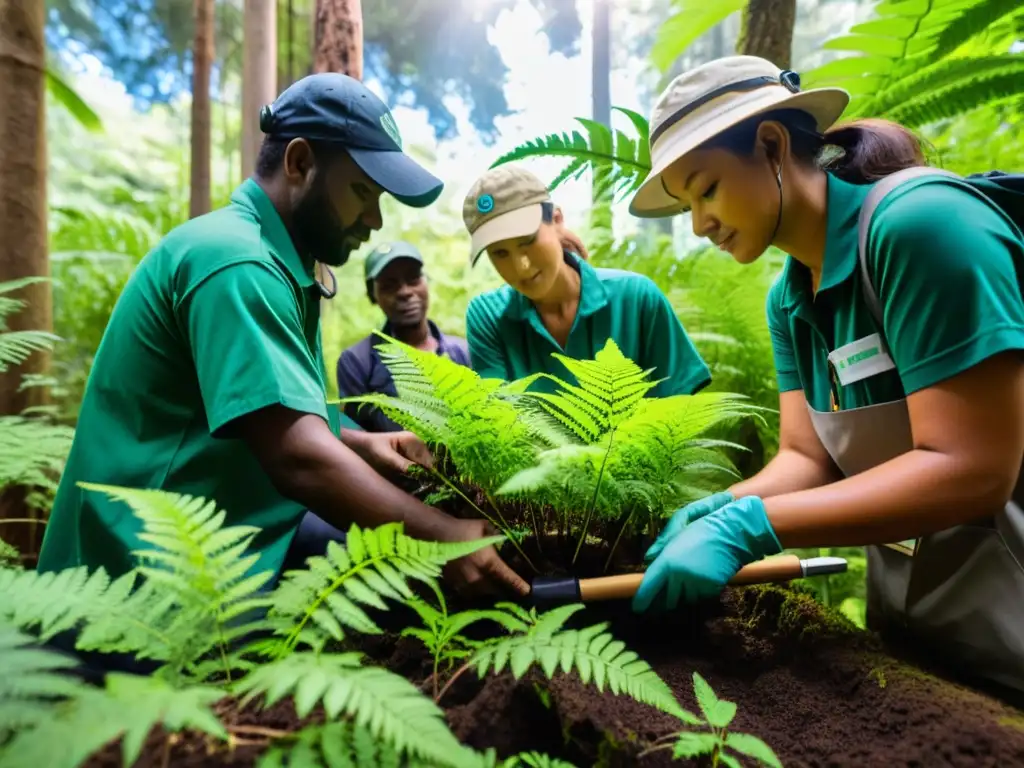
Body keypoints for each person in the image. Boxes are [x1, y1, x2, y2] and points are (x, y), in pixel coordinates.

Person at [37, 73, 530, 606]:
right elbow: (297, 456)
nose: (374, 219)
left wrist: (366, 443)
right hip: (135, 581)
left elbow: (280, 411)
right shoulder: (235, 261)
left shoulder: (276, 265)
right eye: (363, 192)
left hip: (238, 532)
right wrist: (442, 538)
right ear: (299, 163)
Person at [629, 55, 1024, 697]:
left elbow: (973, 466)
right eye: (685, 205)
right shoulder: (788, 301)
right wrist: (722, 508)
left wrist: (755, 525)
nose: (699, 224)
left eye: (705, 189)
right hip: (920, 638)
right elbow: (806, 457)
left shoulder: (920, 228)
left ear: (771, 143)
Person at [462, 164, 712, 397]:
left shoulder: (637, 299)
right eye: (500, 253)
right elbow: (497, 424)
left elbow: (677, 417)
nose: (521, 267)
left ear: (557, 220)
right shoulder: (488, 316)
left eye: (527, 241)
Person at [337, 240, 472, 433]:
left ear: (427, 282)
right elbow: (354, 438)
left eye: (413, 279)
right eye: (389, 285)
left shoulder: (464, 352)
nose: (405, 292)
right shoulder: (357, 362)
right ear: (372, 295)